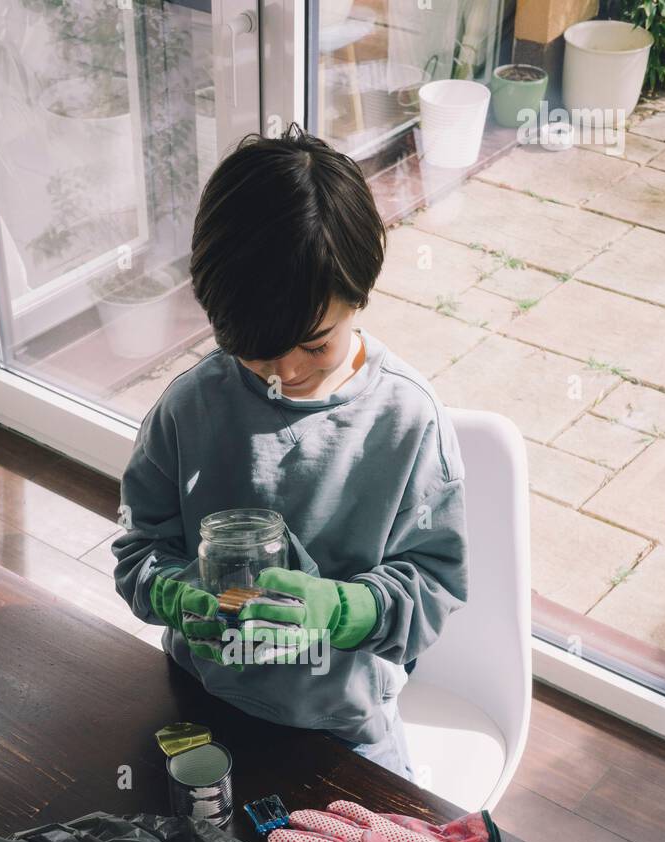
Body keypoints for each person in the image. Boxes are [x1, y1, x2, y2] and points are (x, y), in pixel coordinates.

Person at [113, 126, 468, 780]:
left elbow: (432, 589)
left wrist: (338, 610)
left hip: (344, 727)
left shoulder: (406, 422)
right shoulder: (190, 409)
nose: (284, 370)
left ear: (361, 294)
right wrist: (176, 596)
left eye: (313, 343)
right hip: (201, 698)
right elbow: (139, 548)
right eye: (253, 345)